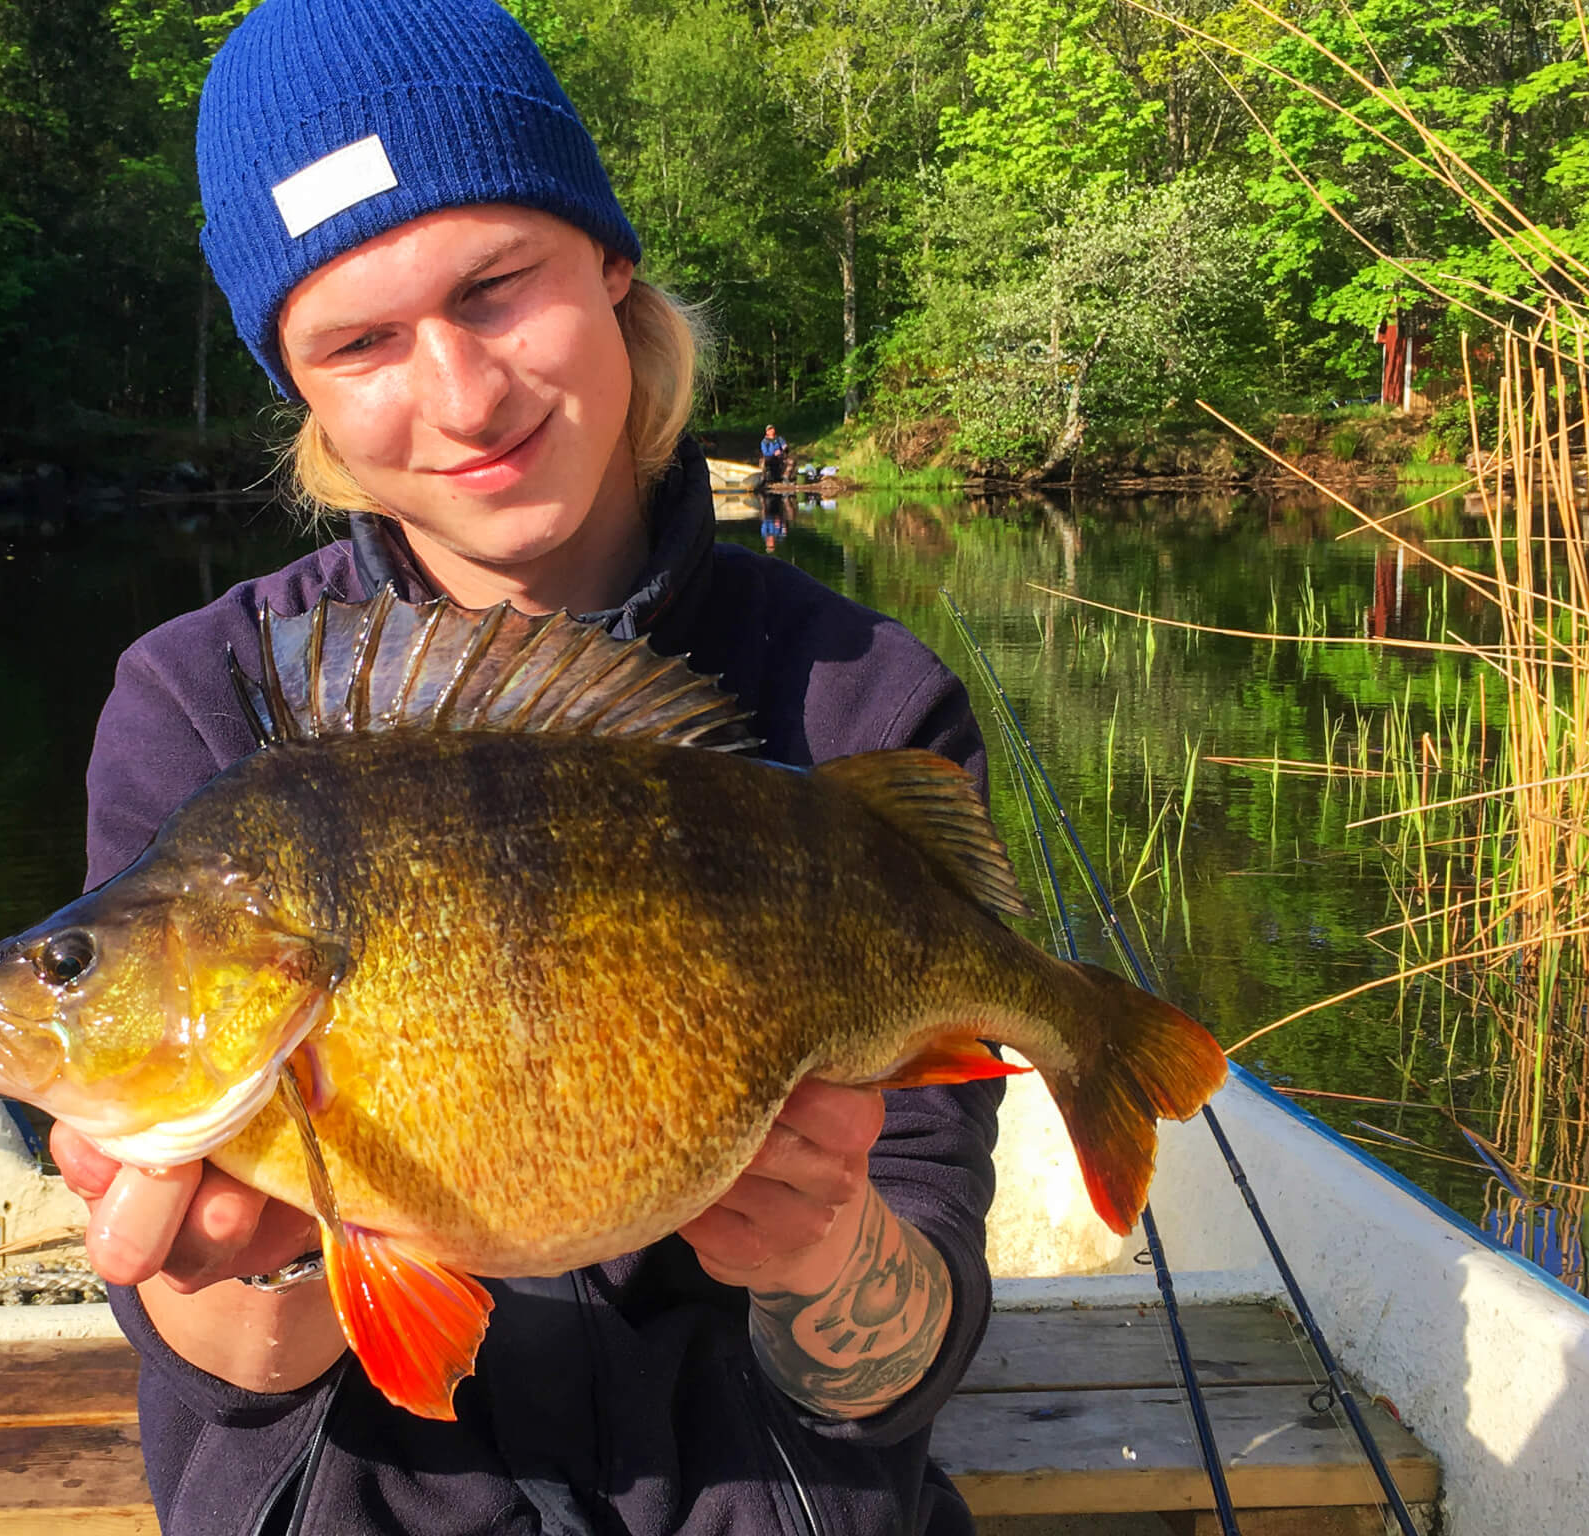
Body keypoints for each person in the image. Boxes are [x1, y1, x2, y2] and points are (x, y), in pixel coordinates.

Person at [52, 1, 1005, 1531]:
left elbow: (901, 1360)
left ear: (610, 262)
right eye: (358, 342)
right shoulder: (206, 702)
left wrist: (832, 1257)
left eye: (497, 290)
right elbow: (234, 1373)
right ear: (298, 384)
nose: (464, 396)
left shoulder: (865, 702)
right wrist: (269, 1253)